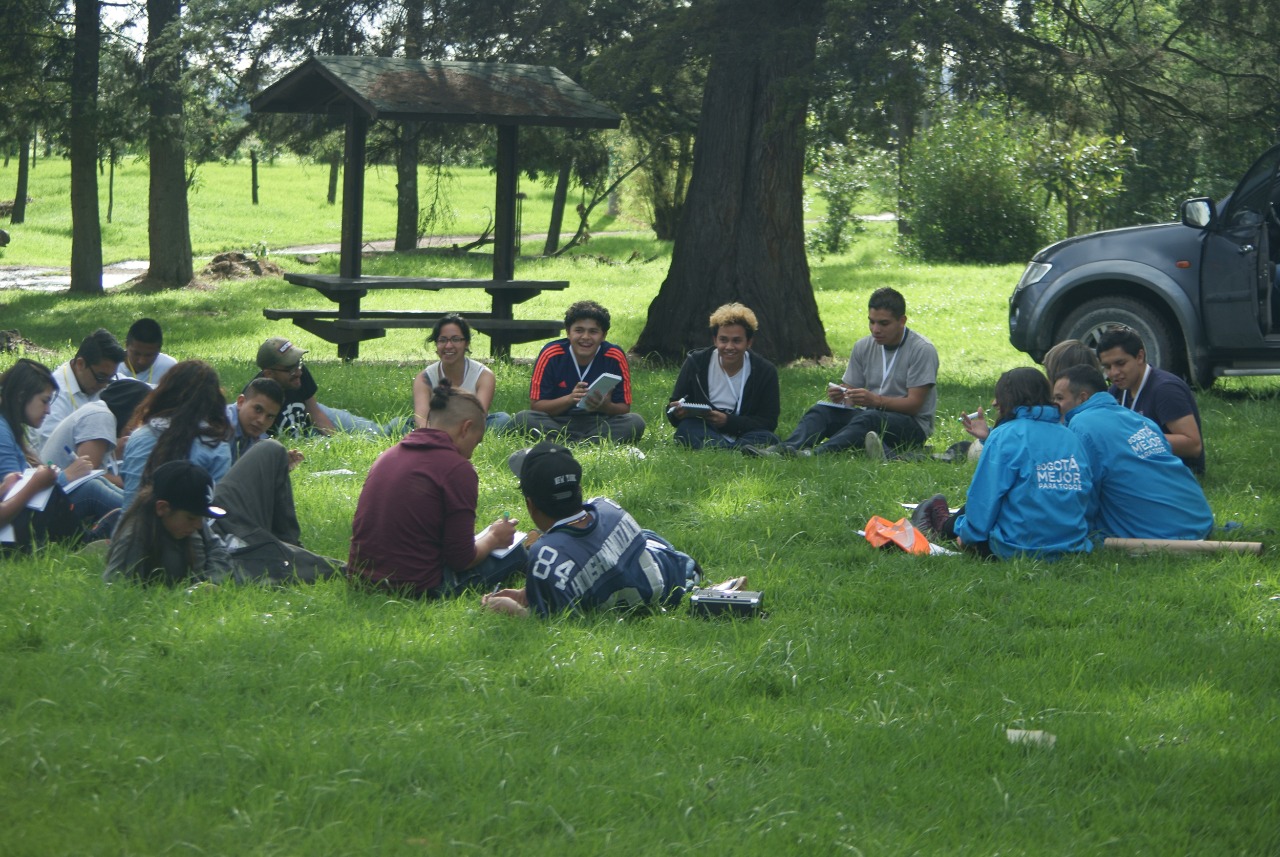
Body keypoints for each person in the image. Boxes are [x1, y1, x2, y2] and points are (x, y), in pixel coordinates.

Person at [483, 441, 703, 618]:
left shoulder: (546, 555)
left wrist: (512, 609)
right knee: (645, 536)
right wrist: (528, 593)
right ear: (579, 490)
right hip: (671, 570)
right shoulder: (608, 507)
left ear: (530, 505)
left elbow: (552, 622)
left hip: (645, 583)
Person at [348, 383, 523, 598]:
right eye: (476, 443)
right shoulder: (457, 469)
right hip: (416, 587)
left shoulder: (388, 455)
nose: (470, 455)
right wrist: (494, 537)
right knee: (518, 555)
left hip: (360, 579)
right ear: (466, 428)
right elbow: (462, 560)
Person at [912, 367, 1093, 560]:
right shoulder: (1070, 436)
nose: (994, 403)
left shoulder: (1006, 435)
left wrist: (968, 536)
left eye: (999, 397)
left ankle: (938, 525)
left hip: (1016, 547)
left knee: (969, 514)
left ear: (1011, 398)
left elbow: (985, 497)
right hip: (1071, 547)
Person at [748, 287, 938, 459]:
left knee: (869, 418)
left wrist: (876, 401)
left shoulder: (922, 349)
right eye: (871, 322)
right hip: (870, 415)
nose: (875, 329)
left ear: (902, 321)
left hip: (911, 426)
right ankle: (785, 449)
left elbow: (914, 405)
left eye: (884, 323)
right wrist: (842, 393)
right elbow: (851, 387)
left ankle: (814, 454)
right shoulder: (863, 346)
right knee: (822, 410)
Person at [1053, 364, 1213, 540]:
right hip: (1200, 519)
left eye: (1059, 398)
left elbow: (1083, 494)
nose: (1055, 406)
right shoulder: (1138, 419)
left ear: (1083, 398)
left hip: (1163, 533)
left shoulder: (1081, 426)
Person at [511, 301, 645, 443]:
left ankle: (568, 443)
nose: (586, 337)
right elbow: (537, 406)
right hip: (558, 421)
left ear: (603, 335)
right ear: (568, 332)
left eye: (593, 331)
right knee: (523, 418)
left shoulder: (614, 355)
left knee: (635, 421)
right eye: (579, 330)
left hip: (599, 422)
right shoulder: (551, 354)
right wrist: (569, 399)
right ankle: (588, 444)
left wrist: (606, 406)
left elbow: (624, 408)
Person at [0, 359, 99, 549]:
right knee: (89, 489)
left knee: (92, 486)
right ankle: (86, 541)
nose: (48, 410)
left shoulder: (8, 425)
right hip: (14, 527)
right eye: (44, 401)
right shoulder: (2, 430)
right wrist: (46, 480)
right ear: (21, 396)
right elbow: (12, 495)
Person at [39, 378, 152, 533]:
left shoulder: (99, 412)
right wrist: (128, 483)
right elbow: (87, 475)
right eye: (141, 416)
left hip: (56, 494)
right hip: (54, 499)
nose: (139, 424)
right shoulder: (101, 416)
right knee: (94, 487)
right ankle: (149, 521)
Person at [665, 303, 780, 450]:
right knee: (687, 428)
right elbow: (675, 404)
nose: (729, 347)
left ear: (749, 342)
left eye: (737, 341)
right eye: (723, 340)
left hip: (744, 432)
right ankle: (738, 450)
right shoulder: (696, 363)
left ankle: (721, 449)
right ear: (715, 340)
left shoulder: (765, 371)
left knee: (768, 437)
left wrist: (728, 421)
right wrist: (677, 413)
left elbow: (768, 422)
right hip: (705, 428)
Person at [121, 360, 231, 510]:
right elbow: (213, 509)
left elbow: (130, 501)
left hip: (131, 528)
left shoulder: (139, 436)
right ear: (213, 400)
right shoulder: (216, 447)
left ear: (164, 392)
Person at [104, 461, 235, 586]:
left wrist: (210, 583)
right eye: (191, 518)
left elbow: (217, 549)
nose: (199, 526)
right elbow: (115, 590)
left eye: (202, 518)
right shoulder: (134, 539)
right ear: (162, 508)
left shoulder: (191, 519)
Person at [1095, 327, 1204, 474]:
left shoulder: (1165, 390)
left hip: (1172, 473)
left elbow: (1193, 445)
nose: (1113, 373)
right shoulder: (1118, 390)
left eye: (1120, 363)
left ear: (1140, 356)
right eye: (1107, 367)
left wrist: (1133, 441)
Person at [248, 337, 389, 437]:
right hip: (303, 436)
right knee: (365, 441)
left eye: (299, 363)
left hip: (310, 416)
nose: (299, 372)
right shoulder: (257, 397)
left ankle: (408, 426)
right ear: (269, 374)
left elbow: (315, 412)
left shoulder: (298, 372)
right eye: (290, 369)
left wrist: (336, 440)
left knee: (376, 432)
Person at [411, 314, 512, 433]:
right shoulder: (424, 378)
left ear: (466, 343)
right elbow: (421, 419)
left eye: (456, 339)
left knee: (502, 420)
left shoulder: (483, 375)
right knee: (398, 424)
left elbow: (478, 416)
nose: (448, 346)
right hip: (434, 429)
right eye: (442, 340)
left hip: (468, 429)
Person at [39, 328, 126, 443]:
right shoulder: (55, 395)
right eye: (101, 377)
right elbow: (49, 444)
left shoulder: (96, 379)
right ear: (80, 364)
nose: (104, 385)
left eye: (110, 379)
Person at [226, 377, 302, 468]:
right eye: (258, 409)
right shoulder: (220, 428)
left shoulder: (258, 438)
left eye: (270, 416)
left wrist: (278, 467)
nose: (261, 420)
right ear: (241, 402)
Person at [116, 318, 177, 385]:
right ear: (126, 345)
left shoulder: (170, 368)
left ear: (159, 350)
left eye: (149, 355)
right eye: (136, 354)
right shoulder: (113, 368)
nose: (142, 361)